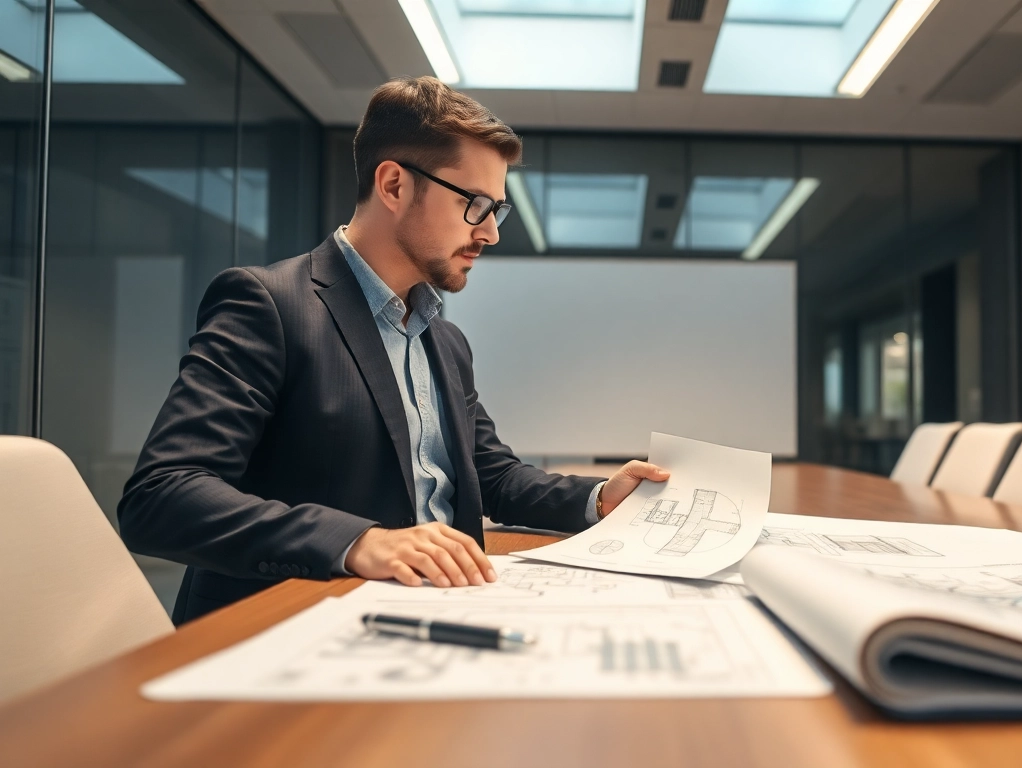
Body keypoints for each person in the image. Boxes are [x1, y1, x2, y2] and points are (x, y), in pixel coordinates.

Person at [118, 76, 669, 624]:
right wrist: (359, 541)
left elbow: (490, 476)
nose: (491, 234)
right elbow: (162, 496)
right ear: (394, 185)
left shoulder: (444, 340)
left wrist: (599, 498)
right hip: (296, 624)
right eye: (475, 205)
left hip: (437, 615)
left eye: (497, 211)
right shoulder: (269, 304)